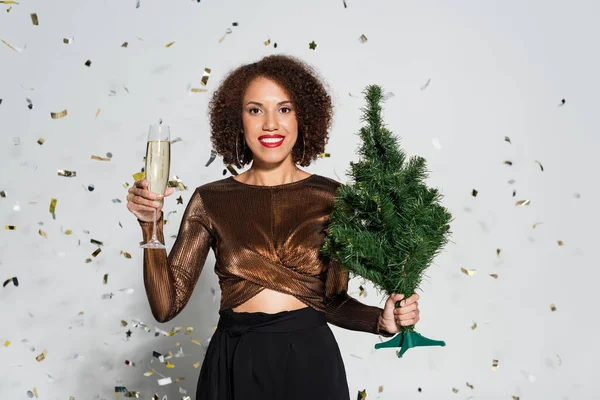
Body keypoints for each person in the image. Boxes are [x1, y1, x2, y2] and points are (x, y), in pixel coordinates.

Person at [126, 54, 421, 400]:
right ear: (238, 121)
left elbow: (333, 301)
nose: (270, 124)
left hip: (310, 362)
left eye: (284, 109)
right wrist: (151, 228)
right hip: (233, 363)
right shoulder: (210, 200)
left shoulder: (334, 198)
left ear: (303, 118)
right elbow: (165, 306)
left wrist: (381, 321)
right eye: (255, 110)